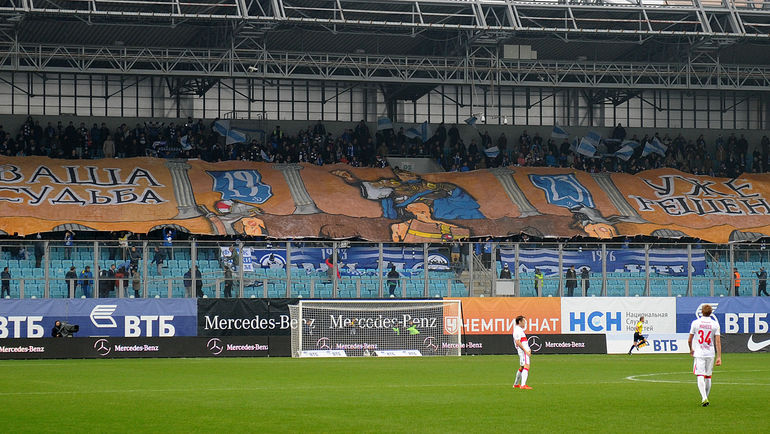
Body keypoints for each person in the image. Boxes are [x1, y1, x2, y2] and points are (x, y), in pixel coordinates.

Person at [688, 304, 722, 407]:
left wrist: (691, 349)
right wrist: (719, 357)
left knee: (700, 375)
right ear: (711, 312)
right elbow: (718, 342)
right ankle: (706, 397)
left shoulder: (695, 323)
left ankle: (704, 397)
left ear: (701, 312)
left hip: (699, 353)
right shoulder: (715, 324)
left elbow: (689, 340)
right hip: (710, 353)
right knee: (708, 376)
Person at [512, 315, 532, 390]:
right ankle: (523, 385)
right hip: (523, 351)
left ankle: (516, 384)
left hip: (523, 351)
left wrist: (528, 348)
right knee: (527, 366)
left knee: (522, 367)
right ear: (519, 322)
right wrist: (526, 350)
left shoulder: (519, 330)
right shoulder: (517, 330)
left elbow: (522, 342)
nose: (525, 323)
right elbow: (517, 342)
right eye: (524, 321)